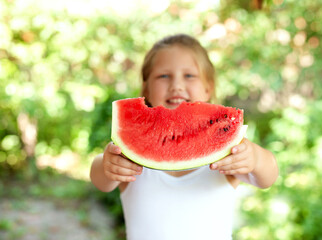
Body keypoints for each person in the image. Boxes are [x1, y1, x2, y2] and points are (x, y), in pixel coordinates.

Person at [90, 34, 278, 240]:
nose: (176, 85)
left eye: (189, 76)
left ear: (208, 88)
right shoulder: (129, 159)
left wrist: (256, 158)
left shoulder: (228, 155)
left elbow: (268, 177)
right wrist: (108, 165)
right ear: (146, 89)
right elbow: (100, 179)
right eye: (163, 76)